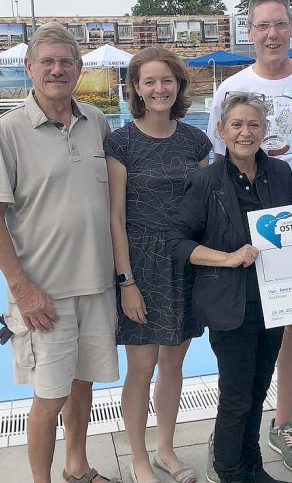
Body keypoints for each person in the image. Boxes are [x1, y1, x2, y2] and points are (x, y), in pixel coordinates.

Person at [0, 22, 119, 483]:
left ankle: (77, 467)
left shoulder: (96, 121)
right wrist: (22, 290)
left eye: (66, 62)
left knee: (83, 386)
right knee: (49, 396)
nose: (57, 70)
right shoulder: (9, 130)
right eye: (48, 62)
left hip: (95, 285)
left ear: (78, 69)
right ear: (30, 68)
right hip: (44, 294)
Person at [205, 0, 292, 477]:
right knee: (247, 338)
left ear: (291, 28)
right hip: (247, 234)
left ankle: (282, 422)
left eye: (279, 24)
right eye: (262, 26)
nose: (272, 34)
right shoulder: (232, 87)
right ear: (250, 32)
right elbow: (216, 164)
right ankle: (234, 441)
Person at [170, 93, 292, 483]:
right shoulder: (205, 180)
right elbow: (178, 243)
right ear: (221, 131)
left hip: (272, 301)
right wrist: (227, 258)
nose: (245, 132)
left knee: (259, 390)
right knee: (236, 397)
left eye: (254, 125)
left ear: (264, 130)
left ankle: (253, 467)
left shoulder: (280, 174)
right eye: (237, 125)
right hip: (231, 305)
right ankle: (229, 472)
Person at [105, 47, 211, 483]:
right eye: (149, 81)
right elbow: (114, 216)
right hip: (142, 265)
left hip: (184, 260)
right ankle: (138, 457)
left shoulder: (195, 141)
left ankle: (166, 448)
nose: (158, 88)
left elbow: (205, 209)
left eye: (166, 80)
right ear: (136, 89)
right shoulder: (120, 142)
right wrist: (126, 281)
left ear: (179, 85)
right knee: (142, 366)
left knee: (173, 364)